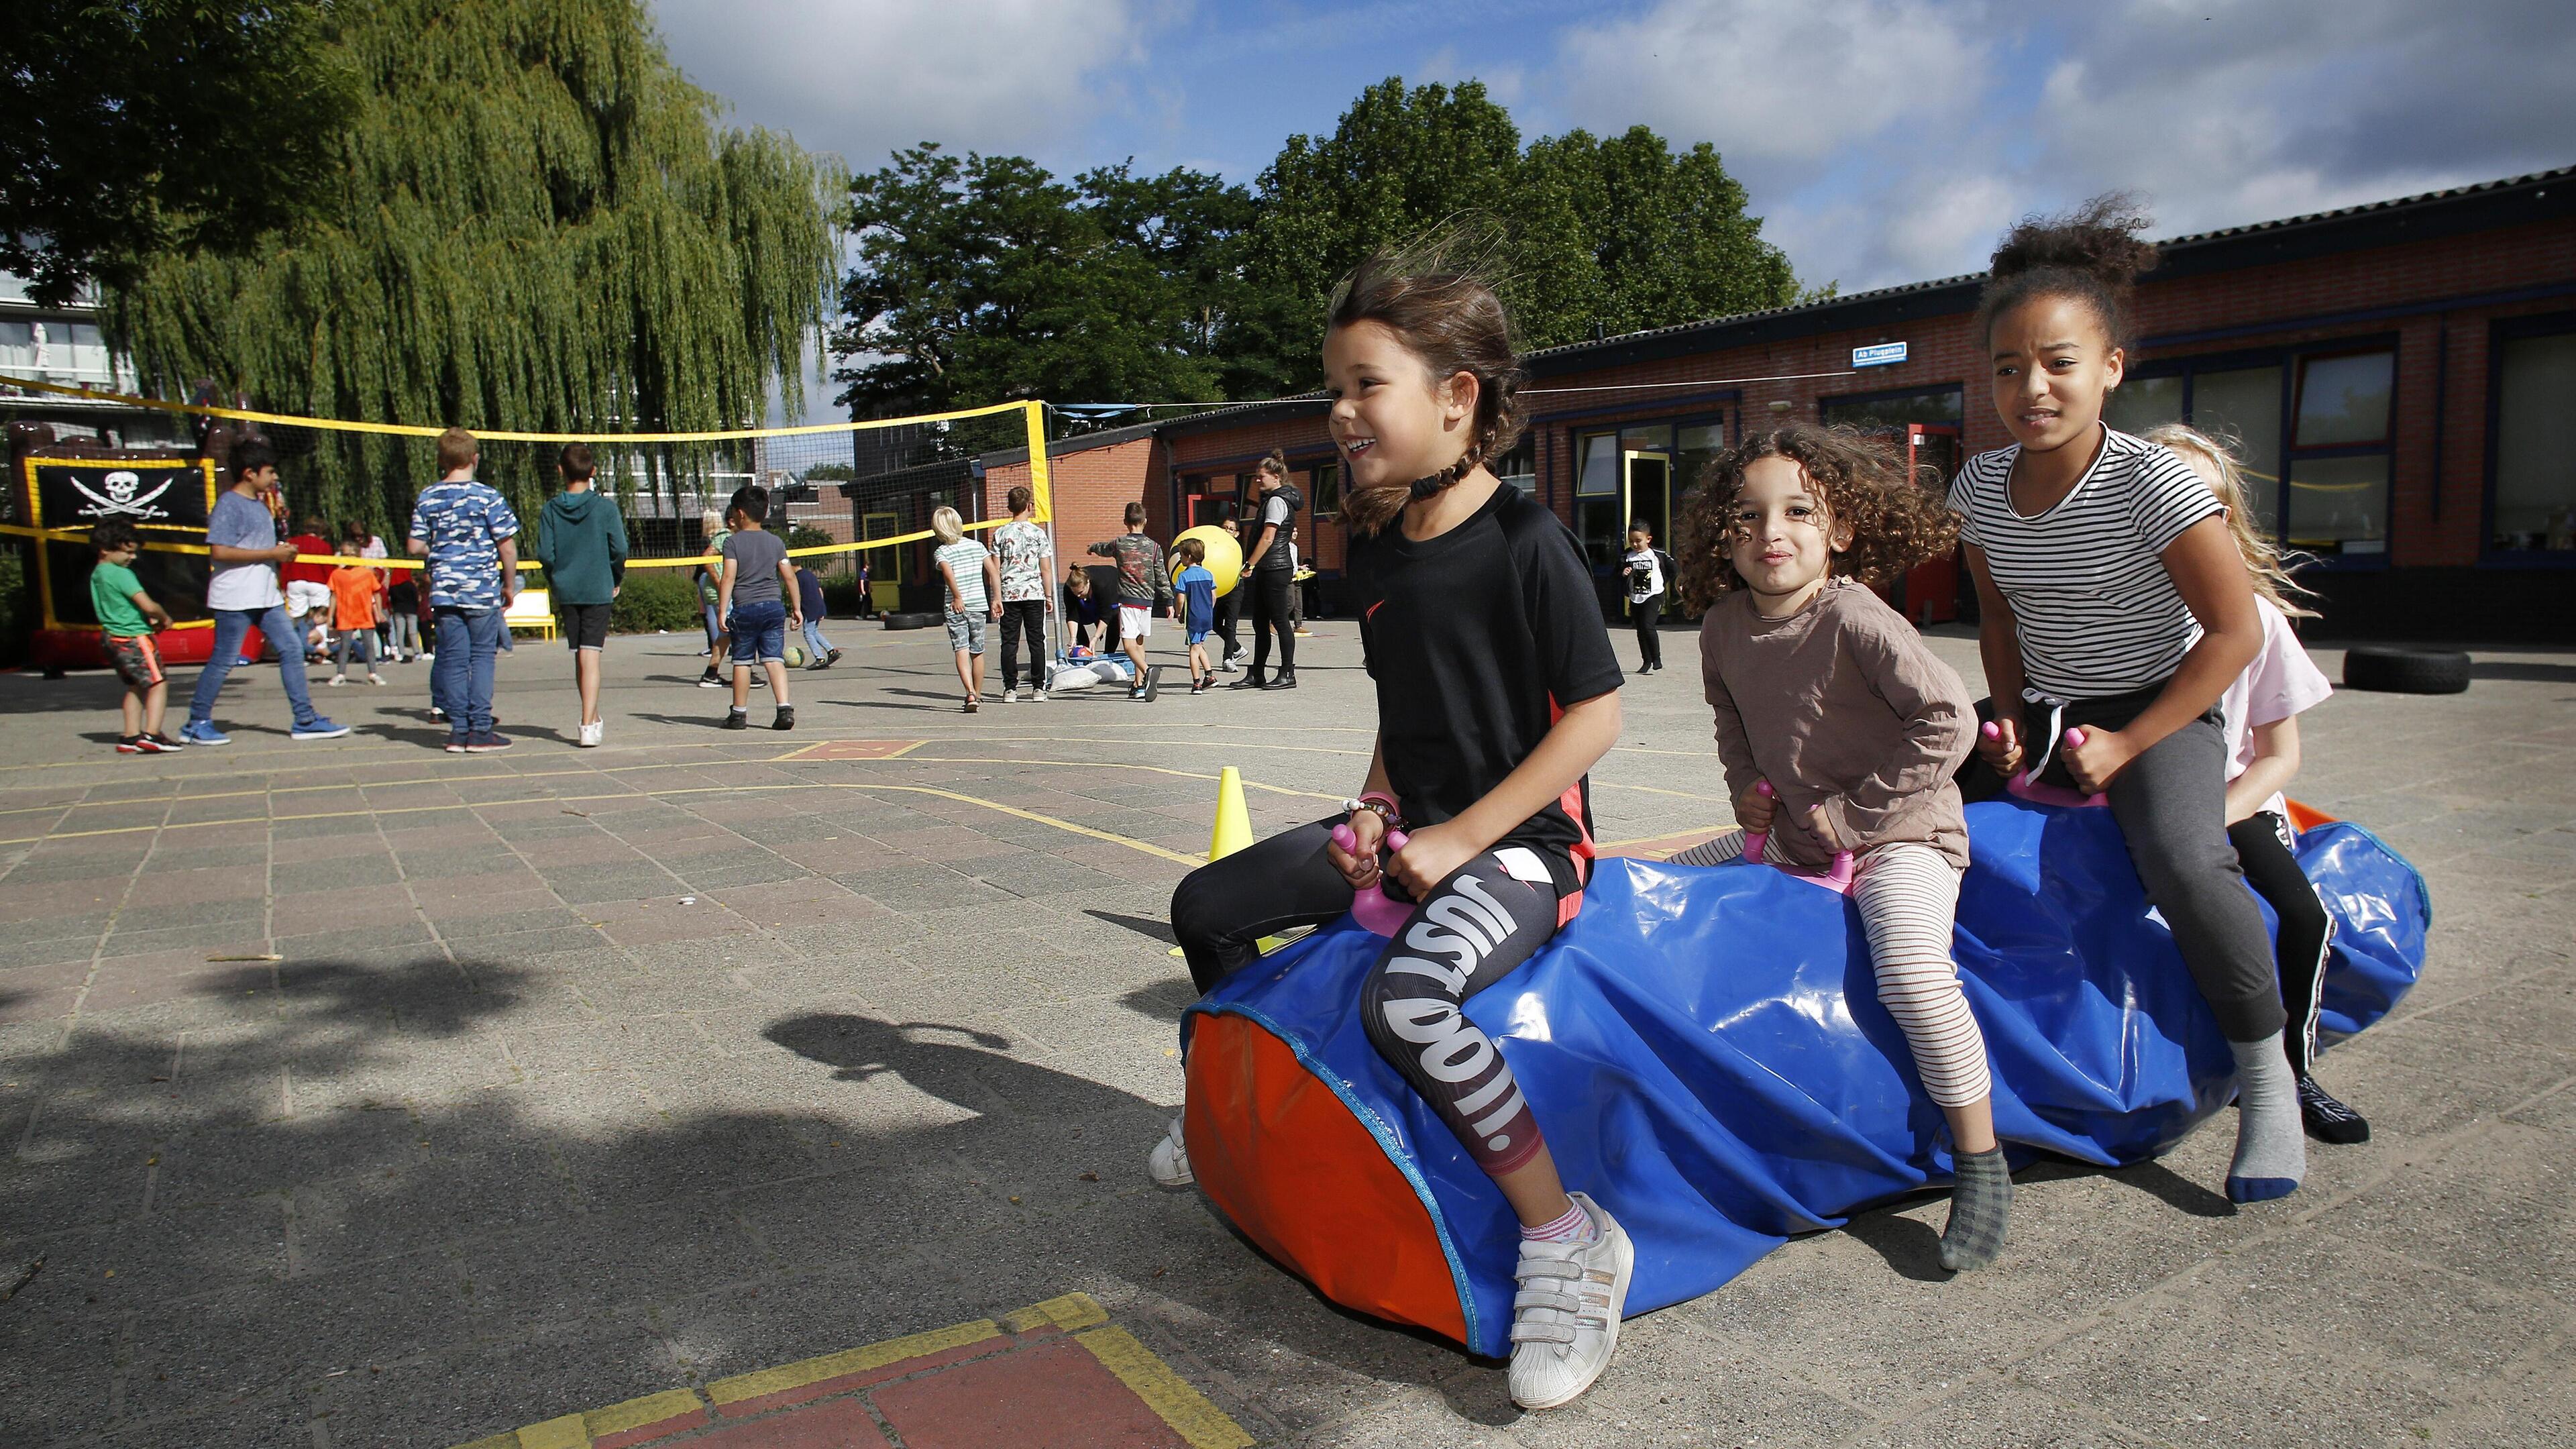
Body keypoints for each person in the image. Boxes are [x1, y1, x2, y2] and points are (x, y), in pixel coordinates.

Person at [1163, 252, 1632, 1411]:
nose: (1340, 413)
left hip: (1526, 846)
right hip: (1419, 825)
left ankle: (1567, 1237)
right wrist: (1374, 811)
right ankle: (1234, 1124)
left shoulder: (1532, 544)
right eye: (1336, 389)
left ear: (1456, 398)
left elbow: (1597, 721)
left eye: (1366, 386)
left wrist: (1467, 835)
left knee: (1408, 1002)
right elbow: (1402, 719)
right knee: (1206, 910)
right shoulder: (1376, 549)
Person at [1954, 197, 2300, 1205]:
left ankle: (2268, 1076)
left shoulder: (2155, 486)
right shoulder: (1979, 487)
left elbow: (2233, 637)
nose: (2033, 386)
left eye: (2060, 361)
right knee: (1913, 805)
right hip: (2052, 699)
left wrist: (2131, 743)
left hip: (2161, 704)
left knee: (2188, 863)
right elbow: (2000, 621)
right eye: (2009, 368)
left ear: (2112, 368)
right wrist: (2011, 716)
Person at [1671, 424, 2009, 1271]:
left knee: (1908, 967)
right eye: (1747, 517)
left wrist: (1857, 818)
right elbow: (1733, 729)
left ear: (1841, 529)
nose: (1770, 534)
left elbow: (1949, 721)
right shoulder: (1721, 628)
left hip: (1903, 836)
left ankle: (1981, 1158)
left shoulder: (1857, 615)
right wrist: (1749, 794)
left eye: (1797, 512)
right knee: (1664, 886)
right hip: (1793, 835)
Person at [2148, 424, 2369, 1146]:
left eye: (2198, 507)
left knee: (2303, 918)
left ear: (2224, 521)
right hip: (2142, 794)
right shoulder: (2116, 619)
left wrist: (2216, 816)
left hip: (2232, 801)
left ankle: (2293, 1071)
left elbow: (2279, 756)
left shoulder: (2260, 621)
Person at [178, 442, 349, 745]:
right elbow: (218, 551)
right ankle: (197, 721)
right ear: (249, 473)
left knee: (293, 649)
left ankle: (305, 720)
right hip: (235, 597)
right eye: (269, 472)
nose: (274, 478)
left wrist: (279, 555)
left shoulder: (260, 505)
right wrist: (271, 552)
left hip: (265, 596)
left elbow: (259, 550)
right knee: (224, 658)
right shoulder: (229, 505)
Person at [409, 426, 521, 753]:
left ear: (442, 461)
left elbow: (414, 544)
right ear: (475, 458)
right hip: (481, 590)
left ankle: (459, 731)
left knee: (454, 660)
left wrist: (439, 552)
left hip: (444, 591)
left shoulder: (428, 496)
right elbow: (508, 546)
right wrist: (509, 585)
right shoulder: (488, 496)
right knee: (482, 657)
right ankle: (481, 730)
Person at [534, 442, 629, 747]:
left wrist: (556, 578)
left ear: (560, 470)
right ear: (594, 472)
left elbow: (545, 554)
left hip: (568, 588)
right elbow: (620, 549)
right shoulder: (605, 508)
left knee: (581, 653)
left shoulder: (550, 509)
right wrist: (616, 575)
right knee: (591, 653)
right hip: (598, 585)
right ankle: (588, 723)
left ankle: (592, 715)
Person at [88, 521, 182, 753]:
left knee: (136, 685)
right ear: (106, 549)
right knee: (158, 683)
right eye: (128, 552)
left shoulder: (99, 574)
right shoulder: (122, 574)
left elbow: (119, 607)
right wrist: (163, 617)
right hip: (134, 637)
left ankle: (130, 736)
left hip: (112, 637)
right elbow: (148, 605)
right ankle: (152, 734)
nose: (133, 557)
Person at [716, 485, 798, 731]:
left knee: (742, 661)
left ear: (740, 514)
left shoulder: (733, 543)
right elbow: (789, 576)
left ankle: (739, 715)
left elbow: (728, 577)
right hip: (773, 607)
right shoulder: (776, 542)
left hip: (746, 608)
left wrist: (722, 610)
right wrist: (797, 607)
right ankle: (784, 710)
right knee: (774, 659)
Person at [1229, 450, 1302, 690]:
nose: (1257, 480)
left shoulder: (1277, 501)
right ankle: (1257, 672)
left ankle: (1287, 673)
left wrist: (1249, 564)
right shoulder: (1273, 499)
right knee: (1260, 622)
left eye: (1261, 476)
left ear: (1276, 476)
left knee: (1280, 621)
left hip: (1275, 567)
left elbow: (1268, 537)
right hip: (1268, 567)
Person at [1087, 502, 1171, 702]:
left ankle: (1148, 670)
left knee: (1128, 645)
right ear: (1145, 522)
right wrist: (1168, 600)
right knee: (1139, 642)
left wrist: (1092, 548)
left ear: (1126, 522)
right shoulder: (1155, 547)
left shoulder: (1119, 544)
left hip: (1128, 601)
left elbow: (1104, 549)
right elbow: (1161, 575)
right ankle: (1139, 685)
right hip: (1147, 601)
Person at [930, 506, 1000, 712]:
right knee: (977, 651)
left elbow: (948, 574)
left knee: (961, 649)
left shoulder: (942, 552)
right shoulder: (977, 546)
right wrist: (997, 598)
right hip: (979, 605)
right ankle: (977, 695)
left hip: (956, 606)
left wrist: (958, 596)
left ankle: (970, 692)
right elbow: (994, 573)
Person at [991, 485, 1053, 703]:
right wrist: (1049, 595)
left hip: (1009, 595)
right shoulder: (1038, 533)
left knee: (1009, 642)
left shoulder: (1000, 534)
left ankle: (1010, 689)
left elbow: (995, 570)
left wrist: (996, 597)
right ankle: (1038, 688)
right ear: (1029, 506)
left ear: (1010, 507)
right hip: (1034, 593)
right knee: (1037, 640)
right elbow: (1046, 568)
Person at [326, 534, 386, 686]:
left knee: (369, 645)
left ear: (357, 555)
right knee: (345, 645)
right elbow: (333, 596)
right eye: (344, 555)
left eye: (350, 555)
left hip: (364, 614)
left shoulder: (367, 573)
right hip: (345, 614)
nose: (347, 558)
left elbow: (376, 593)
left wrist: (378, 612)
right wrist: (330, 616)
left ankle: (373, 673)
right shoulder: (337, 574)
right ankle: (341, 674)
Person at [1620, 524, 1676, 675]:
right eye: (1631, 541)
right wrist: (1623, 572)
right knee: (1640, 629)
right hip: (1636, 596)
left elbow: (1673, 569)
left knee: (1648, 625)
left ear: (1648, 539)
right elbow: (1616, 573)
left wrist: (1664, 583)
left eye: (1638, 540)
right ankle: (1646, 661)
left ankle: (1656, 659)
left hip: (1654, 595)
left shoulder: (1657, 554)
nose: (1635, 544)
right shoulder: (1627, 556)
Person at [282, 514, 333, 659]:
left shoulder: (292, 542)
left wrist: (284, 585)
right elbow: (328, 568)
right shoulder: (324, 546)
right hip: (318, 583)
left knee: (297, 618)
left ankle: (298, 653)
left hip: (295, 582)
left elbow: (286, 565)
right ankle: (320, 652)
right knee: (320, 618)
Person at [1173, 536, 1218, 695]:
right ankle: (1210, 676)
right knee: (1199, 645)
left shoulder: (1184, 576)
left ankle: (1196, 683)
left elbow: (1180, 598)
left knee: (1193, 649)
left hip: (1193, 616)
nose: (1180, 558)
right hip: (1207, 616)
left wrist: (1179, 612)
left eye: (1181, 555)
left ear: (1189, 556)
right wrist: (1209, 609)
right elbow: (1214, 596)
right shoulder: (1208, 574)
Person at [696, 510, 728, 683]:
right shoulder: (724, 537)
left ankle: (711, 672)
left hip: (716, 587)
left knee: (726, 633)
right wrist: (720, 584)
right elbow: (706, 559)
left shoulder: (722, 537)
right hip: (718, 588)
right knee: (735, 631)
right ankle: (746, 669)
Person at [1210, 514, 1245, 670]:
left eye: (1231, 529)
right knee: (1214, 623)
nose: (1227, 531)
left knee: (1231, 624)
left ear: (1236, 533)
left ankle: (1228, 658)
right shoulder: (1214, 545)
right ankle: (1237, 648)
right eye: (1225, 528)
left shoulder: (1237, 549)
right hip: (1219, 588)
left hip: (1235, 588)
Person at [793, 564, 839, 670]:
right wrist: (822, 608)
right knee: (814, 632)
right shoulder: (810, 575)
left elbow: (796, 595)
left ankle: (820, 659)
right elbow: (820, 591)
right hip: (818, 606)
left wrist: (796, 611)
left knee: (808, 633)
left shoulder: (798, 577)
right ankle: (831, 651)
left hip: (809, 607)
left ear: (792, 566)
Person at [1062, 564, 1103, 653]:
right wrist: (1073, 638)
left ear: (1087, 583)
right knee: (1078, 628)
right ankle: (1084, 651)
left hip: (1099, 608)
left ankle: (1109, 652)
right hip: (1083, 612)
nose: (1078, 595)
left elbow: (1107, 615)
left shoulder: (1100, 586)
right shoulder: (1068, 590)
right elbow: (1072, 615)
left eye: (1080, 592)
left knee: (1113, 619)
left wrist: (1095, 638)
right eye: (1075, 593)